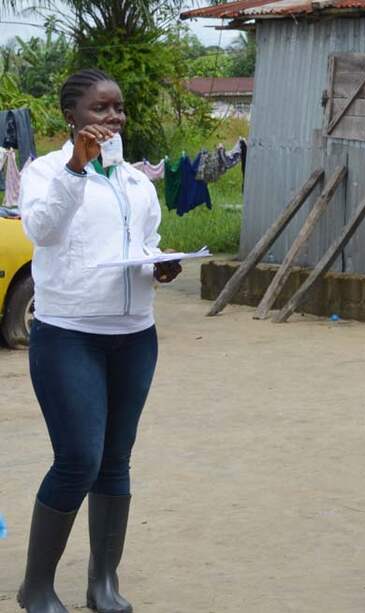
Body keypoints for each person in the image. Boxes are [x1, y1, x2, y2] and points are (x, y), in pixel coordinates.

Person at [17, 68, 181, 613]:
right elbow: (41, 230)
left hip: (134, 338)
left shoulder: (135, 181)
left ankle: (102, 584)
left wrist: (162, 264)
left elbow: (147, 240)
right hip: (69, 336)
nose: (112, 118)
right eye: (100, 109)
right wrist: (75, 168)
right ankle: (36, 587)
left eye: (117, 109)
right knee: (78, 459)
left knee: (115, 461)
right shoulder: (45, 172)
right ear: (72, 116)